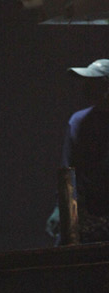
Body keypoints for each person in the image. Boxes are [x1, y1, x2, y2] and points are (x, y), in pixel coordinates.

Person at [46, 59, 109, 244]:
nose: (86, 86)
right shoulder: (78, 121)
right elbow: (68, 168)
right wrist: (60, 208)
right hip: (87, 216)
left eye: (92, 82)